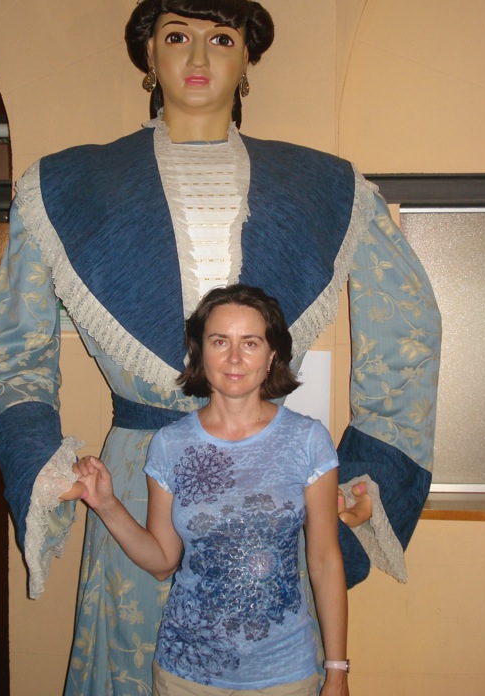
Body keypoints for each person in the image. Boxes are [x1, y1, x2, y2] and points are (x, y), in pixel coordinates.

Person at [0, 0, 441, 696]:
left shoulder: (325, 187)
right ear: (149, 55)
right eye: (176, 37)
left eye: (221, 39)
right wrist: (42, 461)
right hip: (141, 474)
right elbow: (12, 351)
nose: (197, 58)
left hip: (271, 475)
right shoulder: (67, 186)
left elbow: (406, 336)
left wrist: (364, 475)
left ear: (248, 56)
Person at [73, 284, 349, 696]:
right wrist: (107, 504)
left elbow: (325, 562)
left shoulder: (307, 440)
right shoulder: (170, 444)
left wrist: (337, 669)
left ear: (272, 355)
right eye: (220, 341)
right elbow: (162, 561)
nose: (234, 358)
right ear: (200, 352)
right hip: (185, 674)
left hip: (285, 674)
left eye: (250, 343)